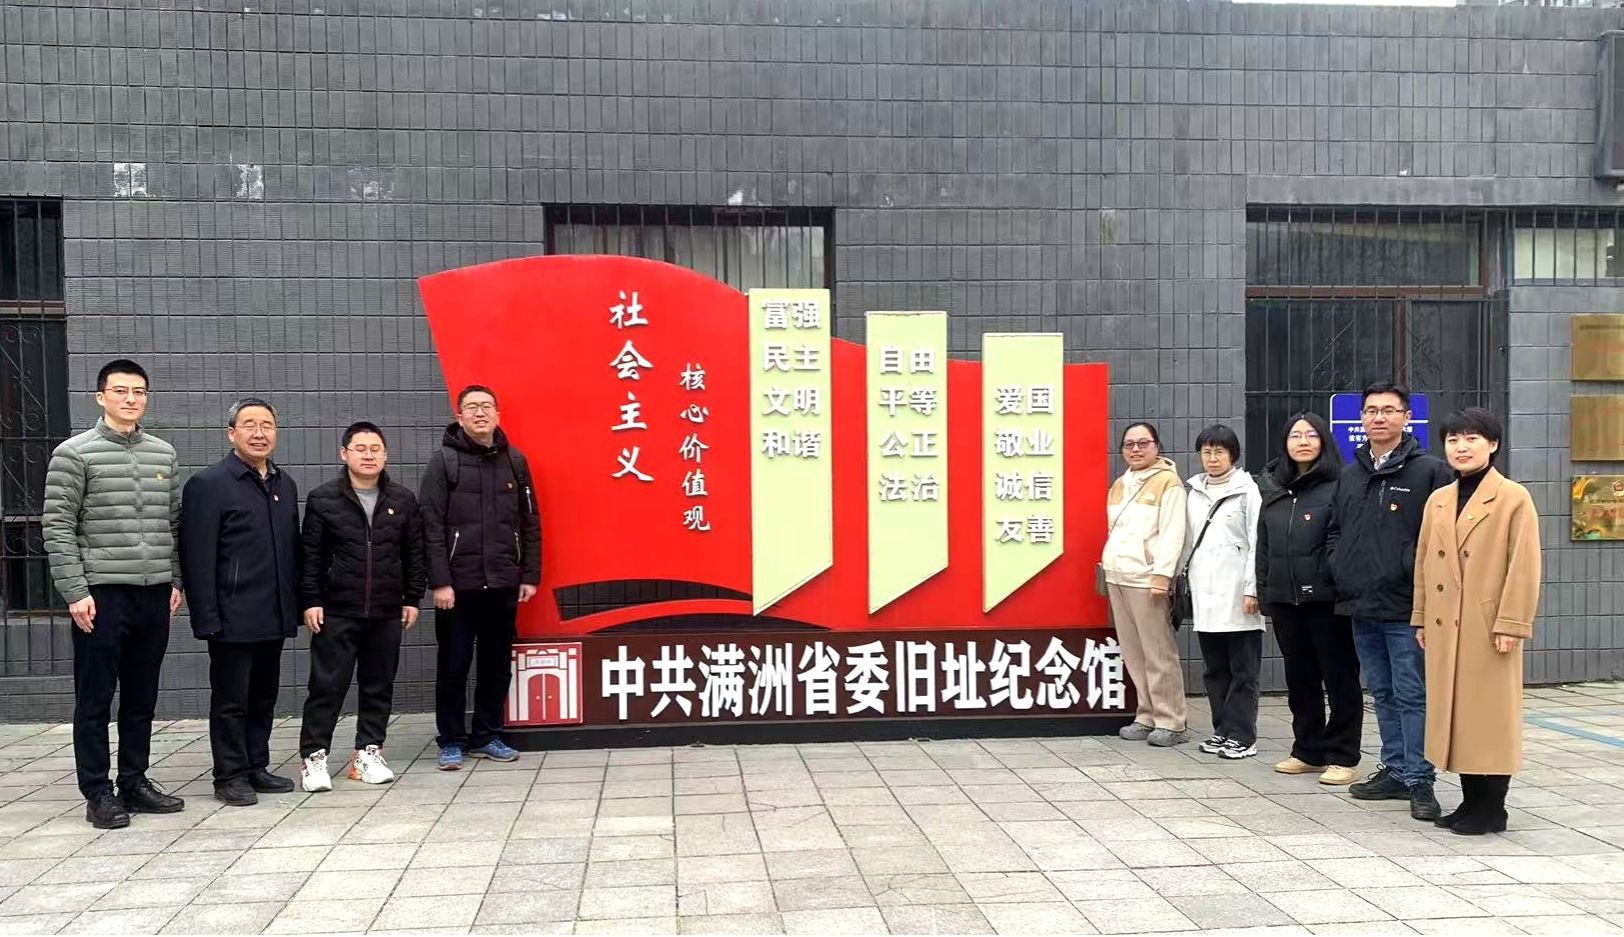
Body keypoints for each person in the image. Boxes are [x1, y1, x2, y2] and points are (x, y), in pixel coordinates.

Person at [42, 359, 186, 829]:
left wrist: (174, 579)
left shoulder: (163, 454)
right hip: (101, 596)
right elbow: (57, 526)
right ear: (101, 397)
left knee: (142, 697)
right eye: (121, 390)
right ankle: (97, 792)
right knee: (95, 698)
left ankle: (134, 781)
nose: (130, 399)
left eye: (139, 391)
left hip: (152, 594)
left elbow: (174, 523)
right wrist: (74, 590)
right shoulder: (74, 454)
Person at [1327, 381, 1453, 821]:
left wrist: (1410, 573)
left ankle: (1420, 778)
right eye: (1371, 411)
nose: (1378, 417)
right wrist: (1339, 565)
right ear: (1362, 418)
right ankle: (1396, 769)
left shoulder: (1430, 472)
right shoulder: (1351, 473)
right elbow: (1335, 529)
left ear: (1406, 417)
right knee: (1381, 691)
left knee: (1412, 694)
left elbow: (1442, 539)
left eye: (1388, 410)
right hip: (1361, 604)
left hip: (1406, 607)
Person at [1413, 408, 1540, 835]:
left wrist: (1512, 623)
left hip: (1487, 625)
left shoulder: (1512, 497)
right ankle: (1471, 802)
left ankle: (1492, 808)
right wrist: (1420, 617)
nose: (1461, 447)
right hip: (1444, 624)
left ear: (1493, 444)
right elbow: (1424, 563)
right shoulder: (1439, 499)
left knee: (1489, 716)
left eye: (1471, 439)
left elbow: (1523, 566)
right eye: (1453, 440)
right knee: (1460, 717)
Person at [179, 398, 301, 806]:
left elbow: (292, 549)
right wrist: (206, 617)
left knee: (264, 696)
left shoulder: (284, 484)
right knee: (231, 701)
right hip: (231, 617)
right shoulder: (209, 484)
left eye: (267, 425)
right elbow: (196, 557)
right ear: (231, 433)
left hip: (274, 612)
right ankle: (229, 775)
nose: (259, 433)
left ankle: (255, 765)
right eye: (249, 424)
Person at [297, 422, 427, 793]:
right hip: (337, 610)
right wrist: (311, 600)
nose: (368, 456)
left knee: (378, 685)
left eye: (375, 449)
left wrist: (412, 597)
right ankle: (314, 757)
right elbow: (310, 556)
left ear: (385, 455)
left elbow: (414, 553)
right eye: (360, 449)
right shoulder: (323, 499)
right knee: (326, 687)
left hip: (386, 611)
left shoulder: (402, 499)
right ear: (344, 454)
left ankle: (368, 754)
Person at [419, 385, 541, 770]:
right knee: (454, 665)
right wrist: (440, 581)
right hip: (458, 587)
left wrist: (529, 575)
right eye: (471, 407)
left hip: (503, 583)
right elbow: (430, 525)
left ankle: (487, 735)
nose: (480, 413)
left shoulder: (514, 461)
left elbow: (530, 521)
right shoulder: (444, 462)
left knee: (496, 664)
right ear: (459, 417)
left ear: (498, 414)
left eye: (487, 406)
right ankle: (452, 740)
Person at [1256, 412, 1362, 786]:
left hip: (1328, 601)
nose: (1303, 441)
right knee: (1300, 679)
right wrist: (1265, 591)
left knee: (1339, 678)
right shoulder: (1274, 488)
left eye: (1311, 435)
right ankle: (1308, 750)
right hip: (1286, 600)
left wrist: (1338, 581)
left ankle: (1343, 755)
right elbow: (1263, 546)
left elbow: (1347, 541)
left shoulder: (1340, 485)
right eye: (1295, 435)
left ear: (1324, 442)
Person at [1102, 421, 1190, 747]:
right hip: (1118, 576)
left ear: (1156, 446)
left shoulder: (1169, 483)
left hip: (1147, 580)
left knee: (1158, 651)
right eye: (1129, 444)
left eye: (1143, 443)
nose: (1135, 449)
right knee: (1133, 651)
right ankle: (1146, 714)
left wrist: (1162, 576)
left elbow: (1173, 534)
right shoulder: (1121, 483)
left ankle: (1171, 720)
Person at [1181, 425, 1265, 760]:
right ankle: (1222, 730)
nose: (1213, 458)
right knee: (1215, 670)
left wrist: (1252, 589)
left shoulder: (1248, 491)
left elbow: (1257, 542)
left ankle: (1243, 735)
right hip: (1206, 595)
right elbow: (1188, 544)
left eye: (1219, 452)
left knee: (1243, 671)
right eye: (1207, 452)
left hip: (1239, 595)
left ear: (1233, 455)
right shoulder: (1194, 492)